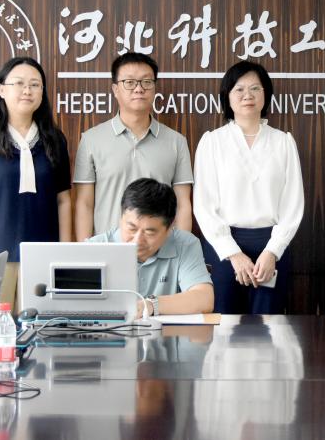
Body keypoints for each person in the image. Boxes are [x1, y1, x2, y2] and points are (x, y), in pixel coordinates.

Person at [0, 56, 72, 312]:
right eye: (19, 83)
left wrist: (64, 254)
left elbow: (63, 200)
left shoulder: (55, 140)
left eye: (35, 85)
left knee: (40, 331)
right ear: (1, 90)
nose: (27, 90)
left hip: (43, 260)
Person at [193, 61, 304, 314]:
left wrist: (272, 251)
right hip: (223, 246)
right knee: (223, 324)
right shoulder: (212, 142)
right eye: (239, 89)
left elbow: (293, 204)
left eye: (255, 88)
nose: (248, 95)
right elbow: (204, 205)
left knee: (268, 325)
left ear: (266, 94)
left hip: (272, 246)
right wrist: (233, 253)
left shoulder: (283, 142)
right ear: (227, 96)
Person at [73, 53, 193, 240]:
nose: (139, 89)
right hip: (108, 248)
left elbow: (183, 205)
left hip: (160, 249)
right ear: (115, 89)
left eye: (146, 82)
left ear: (154, 87)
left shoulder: (176, 141)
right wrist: (86, 251)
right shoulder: (91, 140)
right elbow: (84, 204)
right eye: (129, 82)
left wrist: (182, 251)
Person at [87, 178, 213, 316]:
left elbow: (204, 299)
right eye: (132, 228)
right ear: (121, 218)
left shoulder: (185, 244)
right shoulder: (93, 248)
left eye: (149, 232)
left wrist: (151, 305)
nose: (137, 240)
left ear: (169, 228)